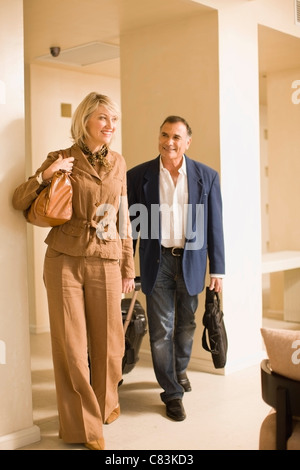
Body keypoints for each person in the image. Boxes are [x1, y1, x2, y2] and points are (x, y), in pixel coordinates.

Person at [12, 92, 135, 450]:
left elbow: (124, 216)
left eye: (114, 120)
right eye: (103, 119)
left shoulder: (119, 162)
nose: (110, 126)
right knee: (71, 347)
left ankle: (103, 403)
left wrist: (128, 264)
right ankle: (85, 427)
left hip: (107, 259)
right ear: (85, 122)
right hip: (64, 258)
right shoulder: (62, 158)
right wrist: (46, 174)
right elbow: (20, 201)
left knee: (111, 347)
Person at [127, 115, 225, 422]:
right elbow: (129, 227)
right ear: (159, 137)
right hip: (158, 262)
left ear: (188, 142)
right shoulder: (139, 175)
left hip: (192, 261)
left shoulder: (206, 176)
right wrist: (125, 269)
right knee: (162, 330)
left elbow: (215, 226)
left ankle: (179, 370)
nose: (169, 142)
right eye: (164, 135)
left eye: (176, 137)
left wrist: (218, 270)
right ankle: (171, 392)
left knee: (186, 326)